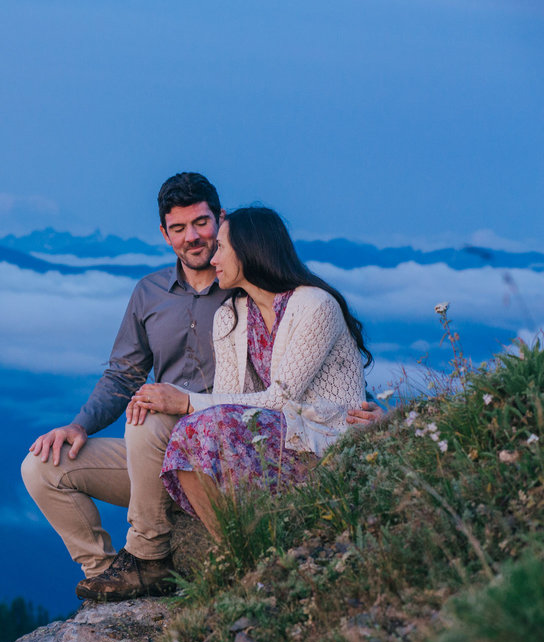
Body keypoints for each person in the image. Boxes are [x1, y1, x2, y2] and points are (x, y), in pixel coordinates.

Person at [22, 176, 380, 602]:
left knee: (151, 414)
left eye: (203, 224)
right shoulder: (162, 295)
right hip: (175, 445)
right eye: (179, 228)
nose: (194, 238)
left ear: (222, 221)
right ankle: (109, 580)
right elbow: (123, 375)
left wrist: (377, 413)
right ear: (164, 233)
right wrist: (79, 426)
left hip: (228, 440)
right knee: (43, 466)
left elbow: (313, 378)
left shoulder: (252, 297)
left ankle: (148, 555)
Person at [128, 206, 371, 535]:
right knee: (189, 437)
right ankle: (234, 547)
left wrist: (185, 402)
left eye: (222, 249)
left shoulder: (315, 305)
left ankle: (241, 545)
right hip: (277, 438)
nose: (214, 260)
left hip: (327, 442)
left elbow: (279, 400)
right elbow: (230, 400)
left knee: (193, 428)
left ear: (250, 249)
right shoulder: (230, 315)